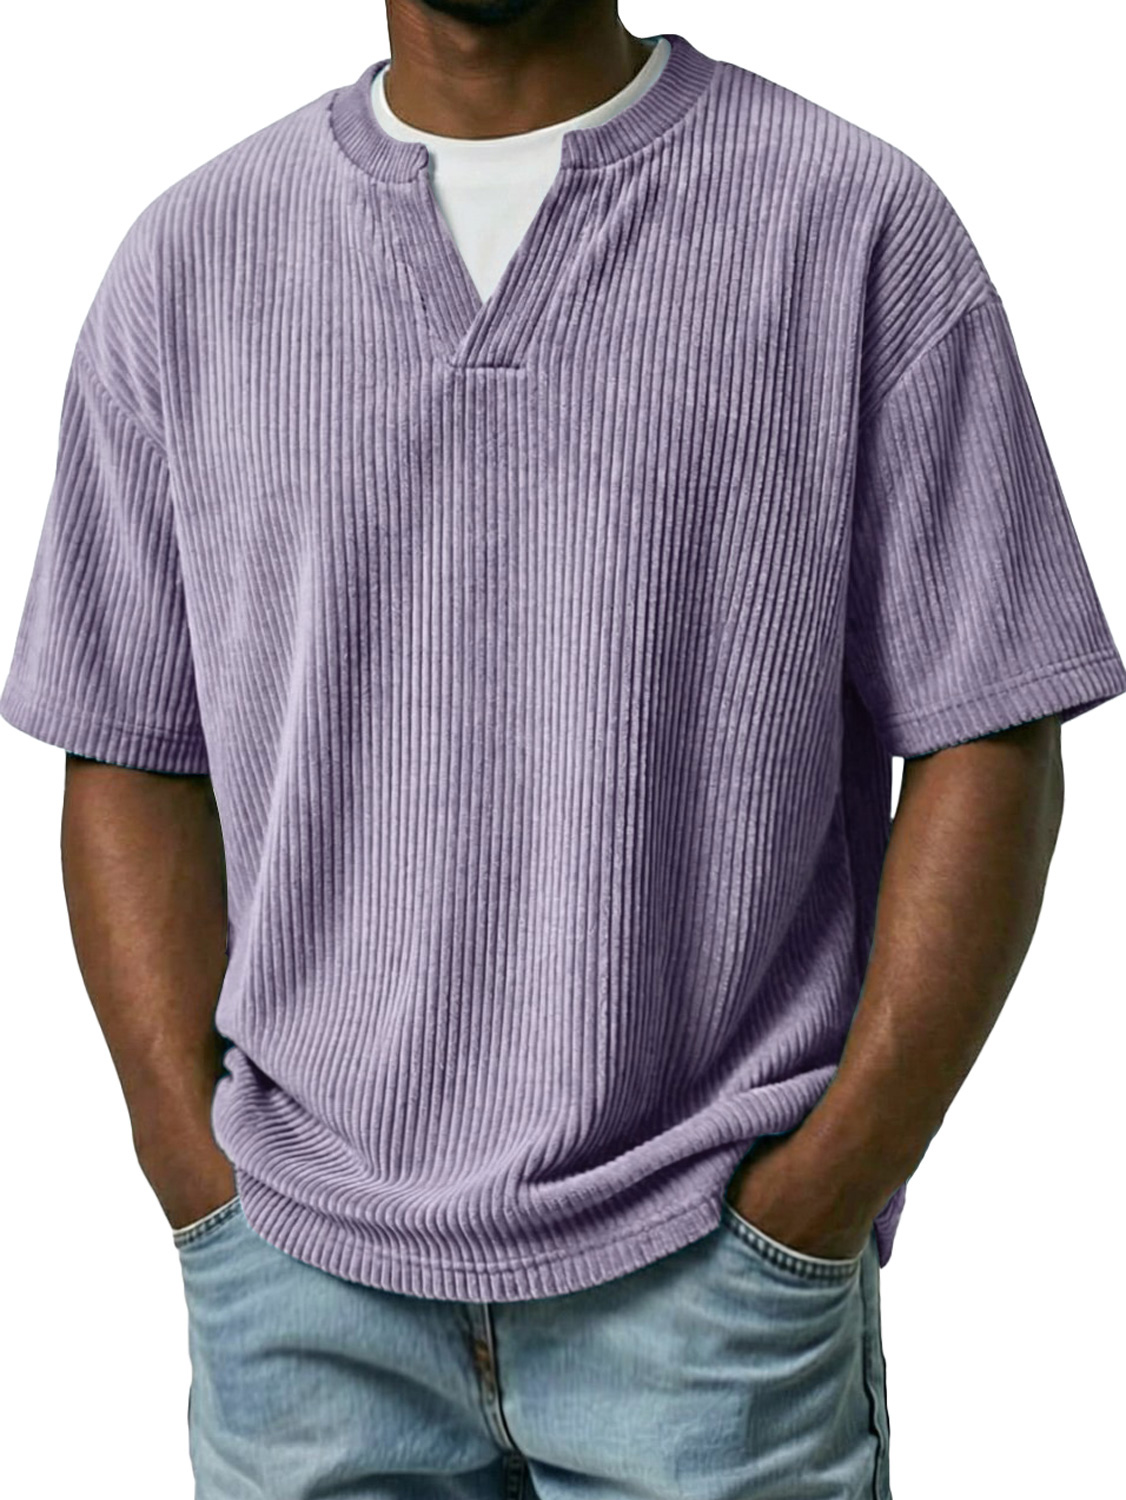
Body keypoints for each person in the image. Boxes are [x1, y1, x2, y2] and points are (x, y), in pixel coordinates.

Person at [3, 2, 1123, 1495]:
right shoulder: (189, 260)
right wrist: (191, 1168)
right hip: (303, 1287)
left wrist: (831, 1184)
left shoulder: (852, 222)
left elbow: (988, 724)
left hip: (709, 1284)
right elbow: (129, 742)